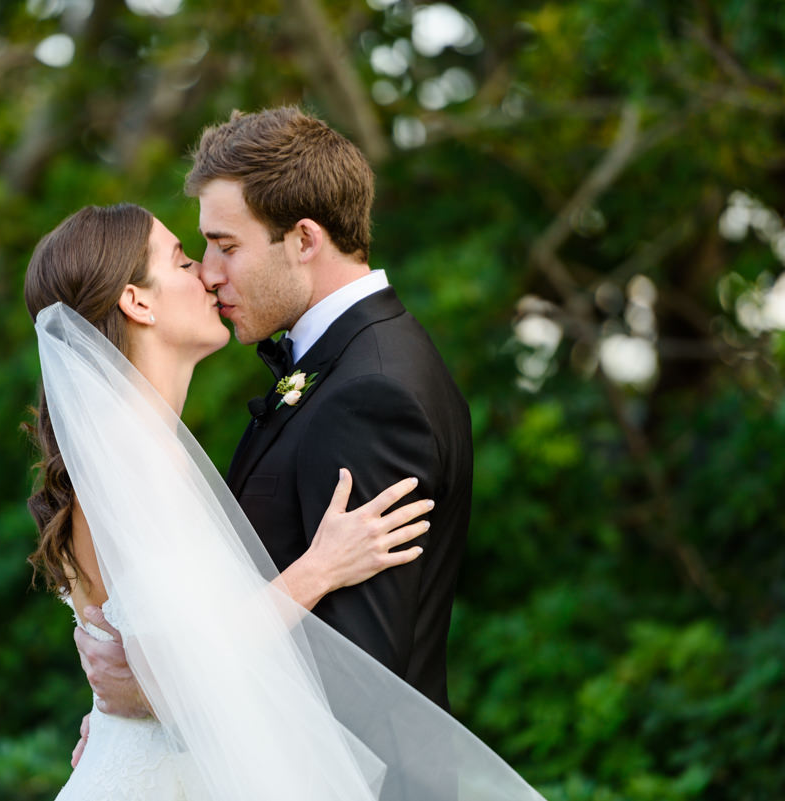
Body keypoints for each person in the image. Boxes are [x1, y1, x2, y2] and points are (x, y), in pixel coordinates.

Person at [27, 203, 545, 800]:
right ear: (137, 302)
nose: (207, 274)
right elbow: (176, 671)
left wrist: (127, 705)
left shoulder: (143, 451)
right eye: (183, 259)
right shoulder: (128, 460)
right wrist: (319, 569)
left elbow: (161, 660)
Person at [77, 107, 472, 737]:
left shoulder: (371, 394)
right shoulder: (343, 366)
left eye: (226, 246)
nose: (208, 271)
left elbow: (359, 676)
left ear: (305, 240)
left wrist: (160, 699)